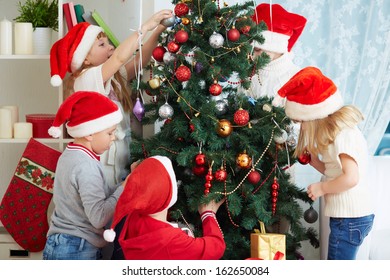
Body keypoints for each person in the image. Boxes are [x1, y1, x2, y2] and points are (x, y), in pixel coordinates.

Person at [49, 9, 173, 189]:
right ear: (85, 59)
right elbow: (119, 57)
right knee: (103, 205)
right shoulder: (87, 78)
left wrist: (158, 30)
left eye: (108, 43)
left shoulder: (112, 77)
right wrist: (145, 27)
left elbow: (141, 59)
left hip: (119, 154)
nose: (110, 47)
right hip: (102, 158)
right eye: (101, 45)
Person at [276, 66, 375, 260]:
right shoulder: (335, 136)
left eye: (301, 122)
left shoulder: (344, 135)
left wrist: (322, 188)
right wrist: (316, 163)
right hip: (348, 218)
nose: (301, 127)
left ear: (313, 117)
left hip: (350, 219)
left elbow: (351, 178)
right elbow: (336, 172)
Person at [43, 91, 123, 260]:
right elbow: (99, 217)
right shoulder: (86, 165)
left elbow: (101, 195)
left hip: (60, 243)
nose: (113, 137)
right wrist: (124, 188)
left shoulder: (69, 155)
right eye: (110, 133)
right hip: (76, 249)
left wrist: (125, 184)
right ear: (89, 133)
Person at [103, 156, 226, 260]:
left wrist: (140, 174)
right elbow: (216, 247)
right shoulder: (170, 240)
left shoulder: (133, 217)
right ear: (170, 193)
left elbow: (142, 191)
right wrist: (208, 214)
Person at [245, 3, 307, 106]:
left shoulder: (295, 78)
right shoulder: (250, 74)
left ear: (274, 47)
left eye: (257, 49)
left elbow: (298, 119)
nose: (252, 56)